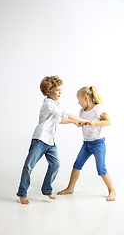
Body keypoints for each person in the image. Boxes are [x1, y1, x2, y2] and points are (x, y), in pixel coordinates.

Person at [16, 76, 88, 204]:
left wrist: (73, 122)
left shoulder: (55, 104)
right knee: (28, 166)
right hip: (40, 140)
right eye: (57, 90)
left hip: (51, 142)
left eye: (61, 90)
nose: (60, 92)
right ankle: (22, 193)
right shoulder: (48, 103)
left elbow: (58, 119)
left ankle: (47, 189)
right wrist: (80, 119)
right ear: (48, 92)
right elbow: (63, 113)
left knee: (55, 165)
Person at [57, 86, 116, 201]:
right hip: (86, 144)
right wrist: (79, 123)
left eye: (79, 100)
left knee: (101, 169)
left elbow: (108, 121)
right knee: (76, 166)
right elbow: (82, 122)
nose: (78, 103)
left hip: (98, 143)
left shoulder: (98, 108)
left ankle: (112, 190)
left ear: (86, 98)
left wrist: (94, 123)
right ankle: (70, 188)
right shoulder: (81, 111)